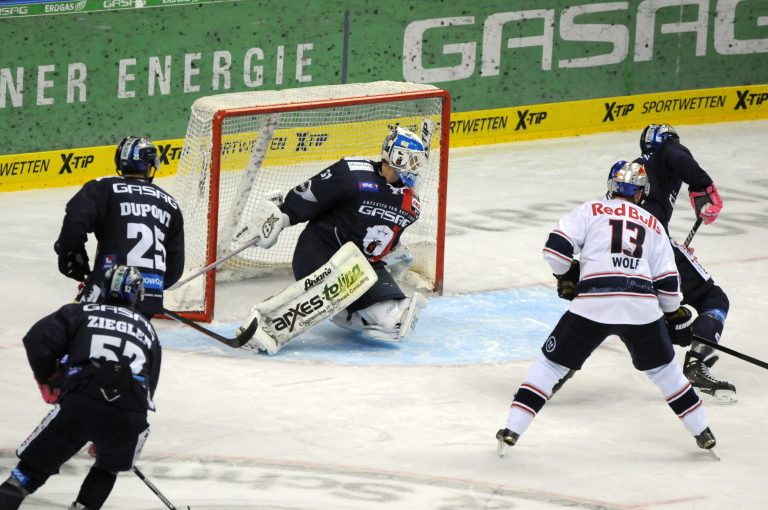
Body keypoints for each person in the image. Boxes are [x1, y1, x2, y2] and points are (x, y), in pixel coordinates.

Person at [496, 160, 716, 456]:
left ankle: (512, 429)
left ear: (611, 186)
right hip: (641, 307)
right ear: (641, 193)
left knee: (550, 366)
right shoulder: (652, 223)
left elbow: (554, 250)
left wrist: (567, 274)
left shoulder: (590, 210)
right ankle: (703, 432)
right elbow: (668, 286)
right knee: (667, 373)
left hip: (594, 303)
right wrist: (670, 317)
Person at [242, 124, 428, 349]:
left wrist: (393, 253)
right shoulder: (353, 173)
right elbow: (311, 195)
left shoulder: (411, 204)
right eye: (413, 160)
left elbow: (386, 239)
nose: (416, 167)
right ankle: (265, 326)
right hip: (320, 253)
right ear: (398, 156)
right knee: (387, 314)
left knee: (396, 315)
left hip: (359, 267)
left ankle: (350, 313)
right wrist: (281, 216)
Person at [0, 266, 161, 510]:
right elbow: (148, 387)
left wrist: (50, 377)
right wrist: (110, 434)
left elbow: (36, 340)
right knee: (108, 467)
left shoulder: (81, 311)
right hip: (129, 413)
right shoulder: (149, 331)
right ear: (138, 296)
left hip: (82, 400)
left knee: (25, 475)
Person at [634, 124, 734, 402]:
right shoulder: (666, 152)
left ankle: (560, 367)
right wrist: (703, 185)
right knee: (713, 298)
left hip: (619, 255)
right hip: (654, 251)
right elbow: (676, 155)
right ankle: (696, 363)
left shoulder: (630, 173)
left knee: (598, 313)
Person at [54, 136, 185, 319]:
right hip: (149, 295)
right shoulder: (170, 204)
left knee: (77, 334)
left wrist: (69, 252)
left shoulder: (104, 186)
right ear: (149, 166)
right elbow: (175, 266)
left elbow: (76, 218)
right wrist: (150, 288)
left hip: (107, 287)